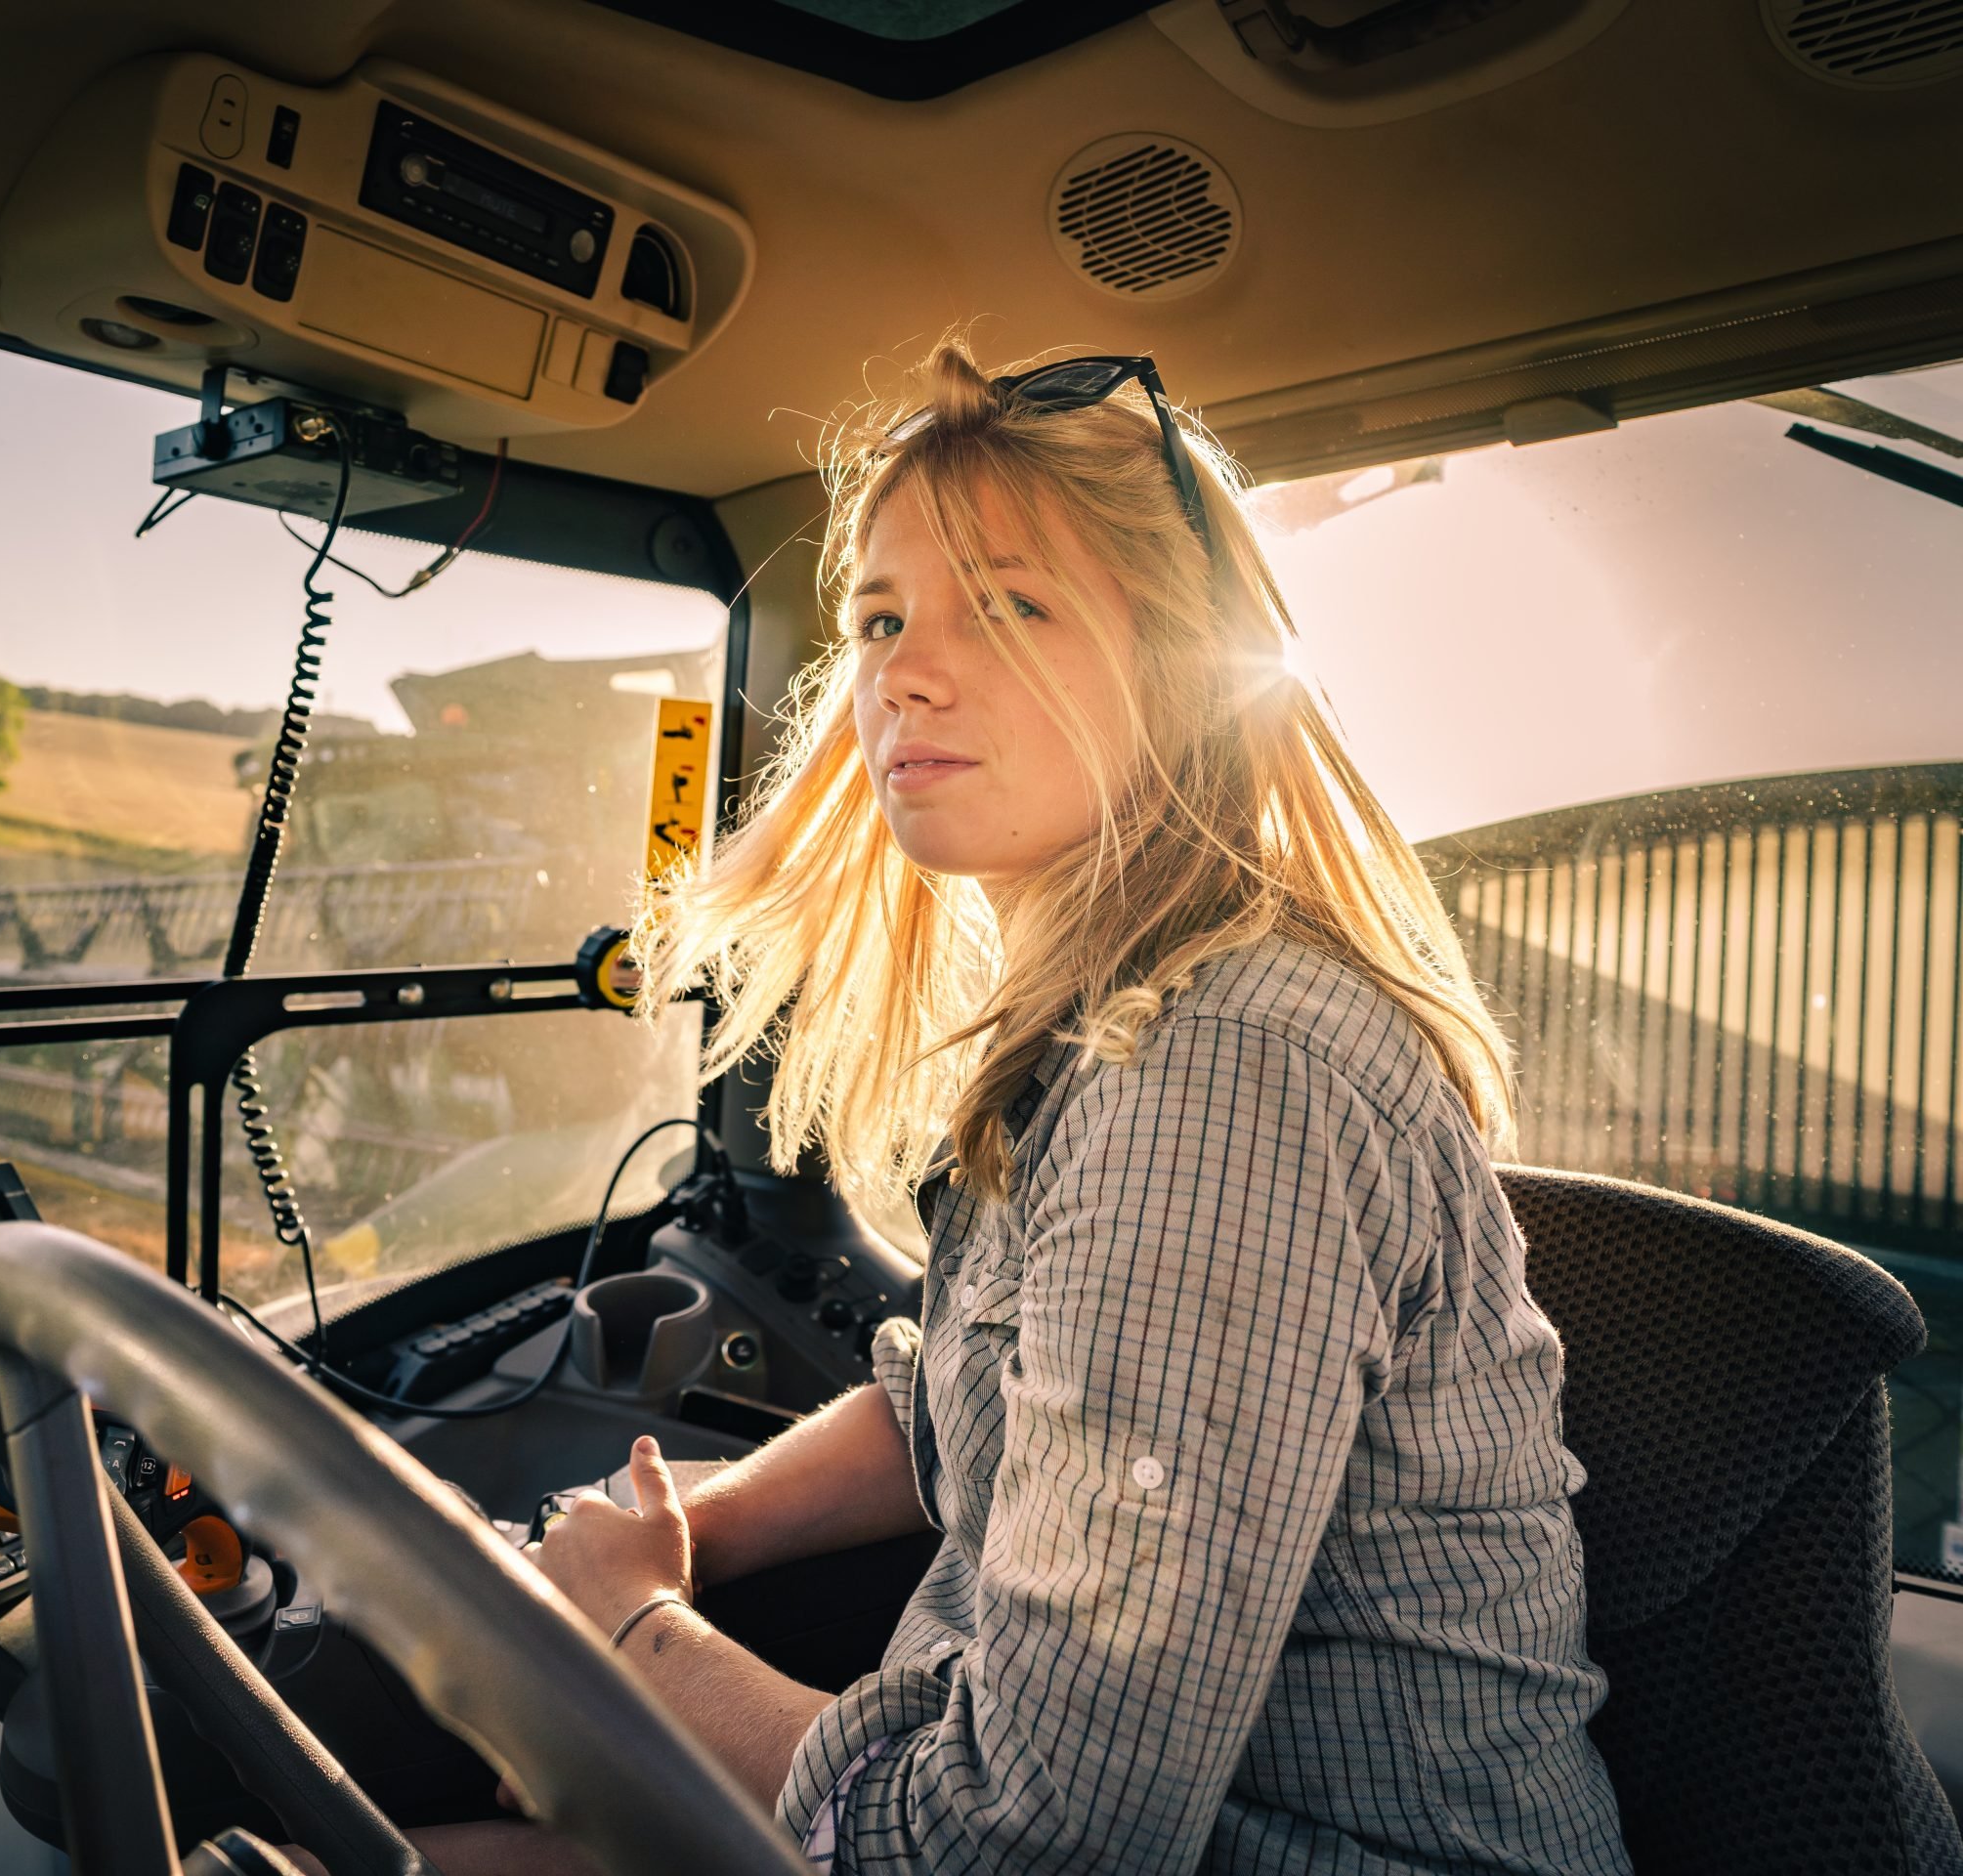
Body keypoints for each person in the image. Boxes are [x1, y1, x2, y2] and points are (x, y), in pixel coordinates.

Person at [348, 336, 1634, 1875]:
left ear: (1180, 673)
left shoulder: (1218, 1078)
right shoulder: (1108, 1028)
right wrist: (707, 1520)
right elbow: (970, 1396)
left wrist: (631, 1631)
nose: (901, 668)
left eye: (1013, 606)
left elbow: (1017, 1840)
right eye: (881, 616)